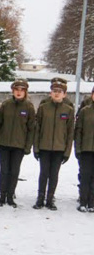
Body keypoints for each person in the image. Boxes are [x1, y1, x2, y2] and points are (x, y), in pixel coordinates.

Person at [33, 81, 75, 210]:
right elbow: (37, 129)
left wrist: (67, 152)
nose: (57, 94)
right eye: (54, 91)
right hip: (44, 147)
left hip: (59, 148)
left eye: (59, 92)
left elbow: (70, 133)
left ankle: (50, 199)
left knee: (54, 174)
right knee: (44, 173)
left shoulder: (68, 110)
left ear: (64, 94)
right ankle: (40, 198)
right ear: (50, 93)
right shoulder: (43, 108)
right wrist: (36, 148)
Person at [0, 78, 35, 207]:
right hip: (4, 144)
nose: (18, 92)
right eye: (16, 90)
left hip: (19, 145)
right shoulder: (6, 105)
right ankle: (2, 194)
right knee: (4, 170)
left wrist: (27, 146)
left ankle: (10, 195)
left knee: (14, 171)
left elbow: (31, 128)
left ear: (25, 92)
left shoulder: (29, 106)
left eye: (21, 90)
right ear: (12, 91)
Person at [75, 86, 94, 212]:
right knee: (85, 176)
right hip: (86, 149)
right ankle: (83, 201)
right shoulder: (85, 111)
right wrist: (78, 149)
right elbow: (78, 131)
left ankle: (92, 203)